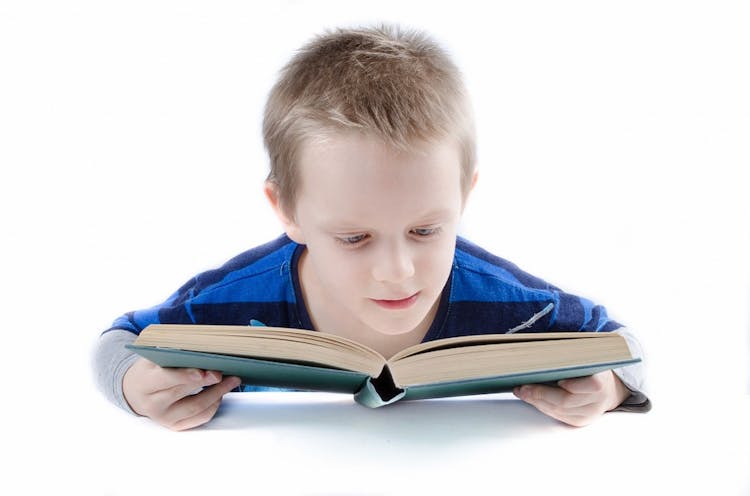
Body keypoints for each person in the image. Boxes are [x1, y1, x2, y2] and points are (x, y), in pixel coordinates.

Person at [93, 24, 650, 431]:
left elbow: (622, 346)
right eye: (354, 238)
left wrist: (609, 389)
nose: (397, 271)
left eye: (427, 230)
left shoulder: (515, 305)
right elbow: (120, 340)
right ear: (285, 209)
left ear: (464, 196)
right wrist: (133, 386)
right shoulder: (232, 301)